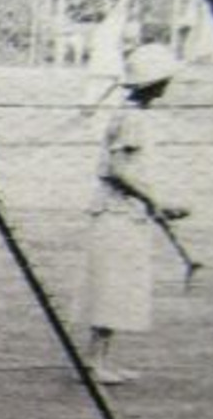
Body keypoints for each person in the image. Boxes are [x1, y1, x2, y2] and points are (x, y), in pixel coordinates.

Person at [76, 43, 188, 385]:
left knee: (118, 286)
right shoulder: (132, 117)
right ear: (154, 82)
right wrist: (157, 201)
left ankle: (98, 359)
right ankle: (94, 362)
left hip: (125, 211)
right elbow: (115, 169)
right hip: (116, 213)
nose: (169, 84)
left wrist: (154, 203)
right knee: (111, 286)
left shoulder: (134, 114)